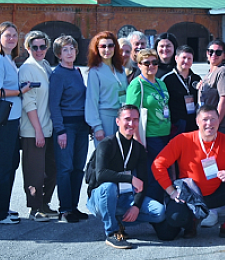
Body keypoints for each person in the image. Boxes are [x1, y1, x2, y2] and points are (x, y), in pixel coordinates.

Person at [152, 105, 225, 242]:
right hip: (189, 197)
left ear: (219, 121)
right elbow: (158, 165)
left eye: (213, 119)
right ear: (197, 121)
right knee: (172, 225)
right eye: (205, 119)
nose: (209, 123)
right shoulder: (183, 139)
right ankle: (190, 223)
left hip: (215, 194)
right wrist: (171, 191)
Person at [86, 105, 166, 249]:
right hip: (100, 197)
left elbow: (143, 181)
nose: (131, 123)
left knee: (159, 212)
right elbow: (101, 175)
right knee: (109, 187)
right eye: (127, 119)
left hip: (124, 197)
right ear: (118, 121)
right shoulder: (107, 144)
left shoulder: (138, 148)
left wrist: (136, 206)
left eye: (135, 120)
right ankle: (112, 233)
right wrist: (130, 179)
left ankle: (118, 220)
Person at [0, 22, 32, 225]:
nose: (12, 38)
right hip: (3, 120)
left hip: (12, 119)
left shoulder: (8, 58)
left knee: (11, 163)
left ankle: (1, 206)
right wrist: (20, 91)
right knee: (3, 166)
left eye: (14, 35)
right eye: (7, 35)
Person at [49, 35, 89, 224]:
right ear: (59, 54)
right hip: (66, 127)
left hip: (82, 126)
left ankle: (73, 206)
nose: (69, 52)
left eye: (72, 48)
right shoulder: (57, 75)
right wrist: (60, 130)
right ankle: (65, 209)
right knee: (65, 168)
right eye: (65, 49)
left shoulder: (77, 71)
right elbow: (54, 105)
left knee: (78, 168)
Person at [18, 30, 57, 222]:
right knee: (34, 172)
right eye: (35, 47)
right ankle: (35, 209)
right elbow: (28, 102)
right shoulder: (27, 69)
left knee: (51, 170)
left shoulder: (46, 65)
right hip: (34, 130)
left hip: (48, 127)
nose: (39, 50)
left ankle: (44, 204)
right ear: (28, 48)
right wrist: (38, 131)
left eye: (42, 46)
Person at [125, 48, 171, 203]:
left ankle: (161, 205)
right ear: (139, 65)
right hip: (150, 136)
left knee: (163, 171)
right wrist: (138, 140)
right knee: (154, 173)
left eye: (154, 62)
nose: (151, 66)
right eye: (146, 63)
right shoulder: (137, 85)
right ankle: (154, 208)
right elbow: (131, 115)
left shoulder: (161, 83)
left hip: (165, 134)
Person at [85, 31, 128, 146]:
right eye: (103, 46)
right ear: (97, 49)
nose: (107, 49)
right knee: (106, 153)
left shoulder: (120, 69)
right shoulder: (95, 71)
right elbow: (91, 100)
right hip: (104, 119)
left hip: (121, 117)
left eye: (110, 45)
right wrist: (97, 126)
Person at [160, 45, 202, 135]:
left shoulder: (196, 78)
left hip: (194, 122)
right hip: (176, 124)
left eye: (189, 58)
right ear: (176, 58)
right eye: (183, 57)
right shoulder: (167, 79)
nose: (186, 61)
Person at [198, 39, 225, 136]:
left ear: (224, 55)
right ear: (207, 53)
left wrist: (215, 123)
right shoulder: (208, 74)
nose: (214, 54)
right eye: (211, 51)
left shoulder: (222, 71)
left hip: (218, 126)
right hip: (207, 124)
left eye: (218, 52)